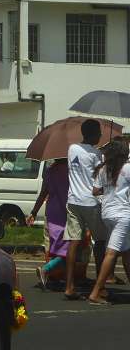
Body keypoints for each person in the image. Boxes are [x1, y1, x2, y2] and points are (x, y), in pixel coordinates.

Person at [63, 118, 108, 300]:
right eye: (98, 133)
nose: (100, 136)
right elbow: (100, 179)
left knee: (74, 242)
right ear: (92, 134)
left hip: (73, 200)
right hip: (91, 202)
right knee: (100, 242)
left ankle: (69, 286)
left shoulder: (72, 148)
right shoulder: (96, 154)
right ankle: (100, 285)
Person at [87, 140, 130, 305]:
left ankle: (98, 290)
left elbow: (95, 191)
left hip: (107, 214)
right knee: (111, 254)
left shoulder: (103, 169)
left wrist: (111, 187)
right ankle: (96, 292)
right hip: (122, 215)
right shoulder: (126, 168)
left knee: (126, 252)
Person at [26, 158, 69, 289]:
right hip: (65, 212)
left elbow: (43, 193)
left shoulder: (49, 171)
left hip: (51, 211)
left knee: (53, 246)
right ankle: (46, 269)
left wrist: (33, 212)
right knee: (70, 248)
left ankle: (52, 275)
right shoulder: (71, 171)